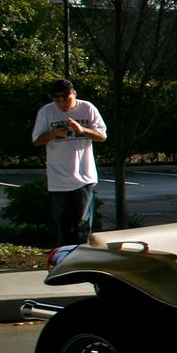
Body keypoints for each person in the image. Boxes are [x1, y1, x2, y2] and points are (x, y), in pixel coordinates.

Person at [30, 77, 108, 246]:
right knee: (61, 225)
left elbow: (102, 136)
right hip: (58, 180)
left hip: (83, 177)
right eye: (57, 99)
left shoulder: (87, 108)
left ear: (74, 94)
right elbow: (36, 141)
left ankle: (83, 257)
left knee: (82, 223)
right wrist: (53, 134)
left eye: (66, 98)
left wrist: (82, 130)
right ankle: (63, 258)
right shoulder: (46, 112)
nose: (62, 103)